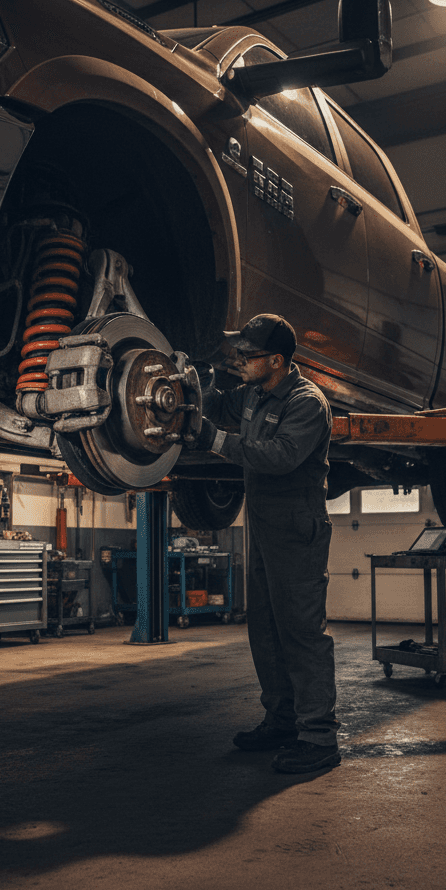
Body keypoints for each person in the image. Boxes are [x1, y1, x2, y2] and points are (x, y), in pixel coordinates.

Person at [188, 313, 340, 773]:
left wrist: (215, 442)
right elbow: (218, 407)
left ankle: (319, 738)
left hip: (297, 525)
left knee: (301, 631)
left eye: (249, 355)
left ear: (276, 360)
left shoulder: (306, 402)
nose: (242, 360)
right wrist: (202, 379)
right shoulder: (255, 392)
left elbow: (280, 457)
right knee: (267, 627)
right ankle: (282, 719)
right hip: (265, 525)